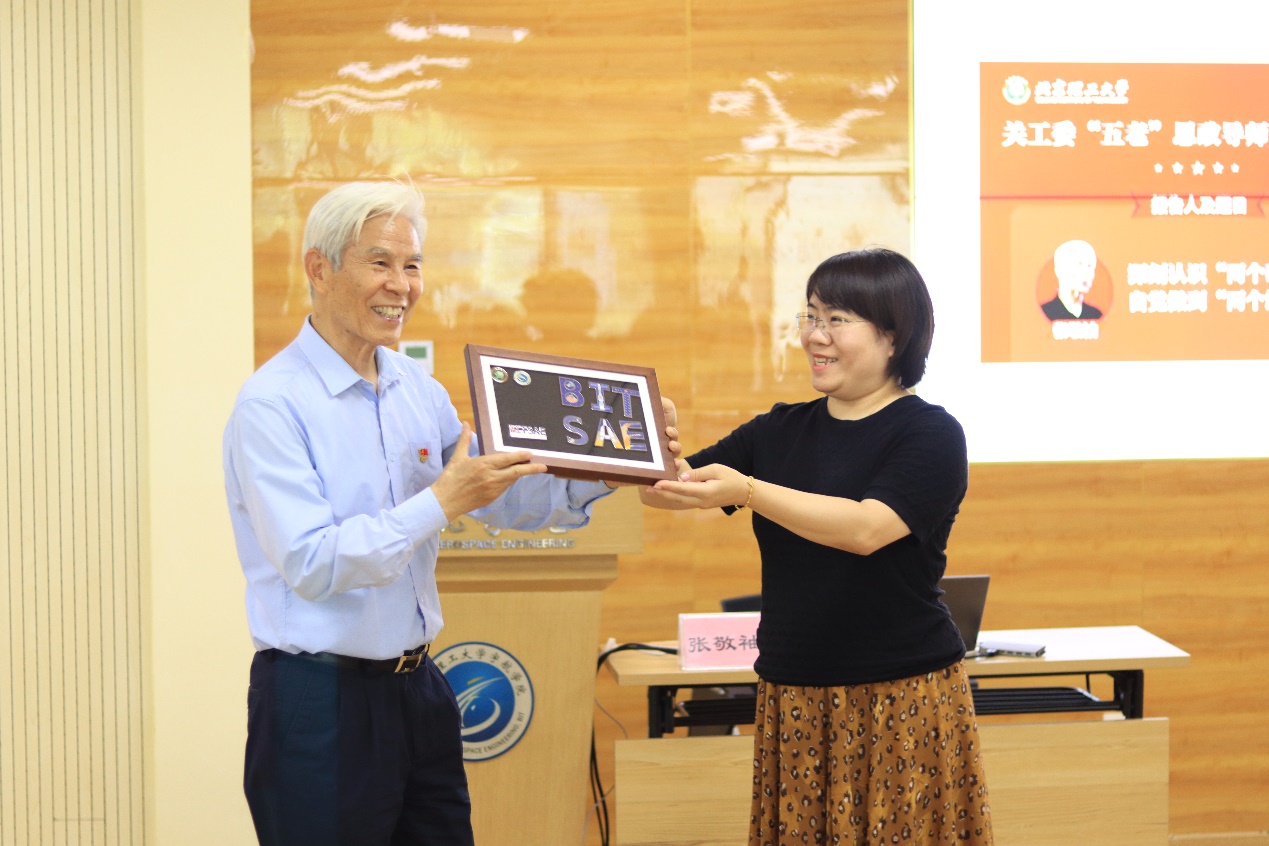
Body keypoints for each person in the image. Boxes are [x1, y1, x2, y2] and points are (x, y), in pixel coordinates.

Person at [223, 181, 629, 846]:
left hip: (420, 691)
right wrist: (440, 502)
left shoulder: (416, 388)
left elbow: (496, 494)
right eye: (380, 263)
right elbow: (313, 562)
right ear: (319, 268)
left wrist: (609, 466)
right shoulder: (272, 405)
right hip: (318, 699)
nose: (402, 285)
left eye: (412, 265)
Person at [642, 248, 993, 845]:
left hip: (901, 694)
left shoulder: (931, 433)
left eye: (837, 319)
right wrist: (645, 439)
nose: (814, 335)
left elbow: (865, 529)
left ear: (893, 336)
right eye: (810, 316)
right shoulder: (778, 429)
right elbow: (666, 492)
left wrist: (749, 490)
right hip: (794, 692)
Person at [1041, 238, 1103, 320]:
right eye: (1079, 265)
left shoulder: (1095, 316)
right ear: (1060, 270)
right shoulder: (1045, 313)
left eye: (1090, 266)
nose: (1086, 273)